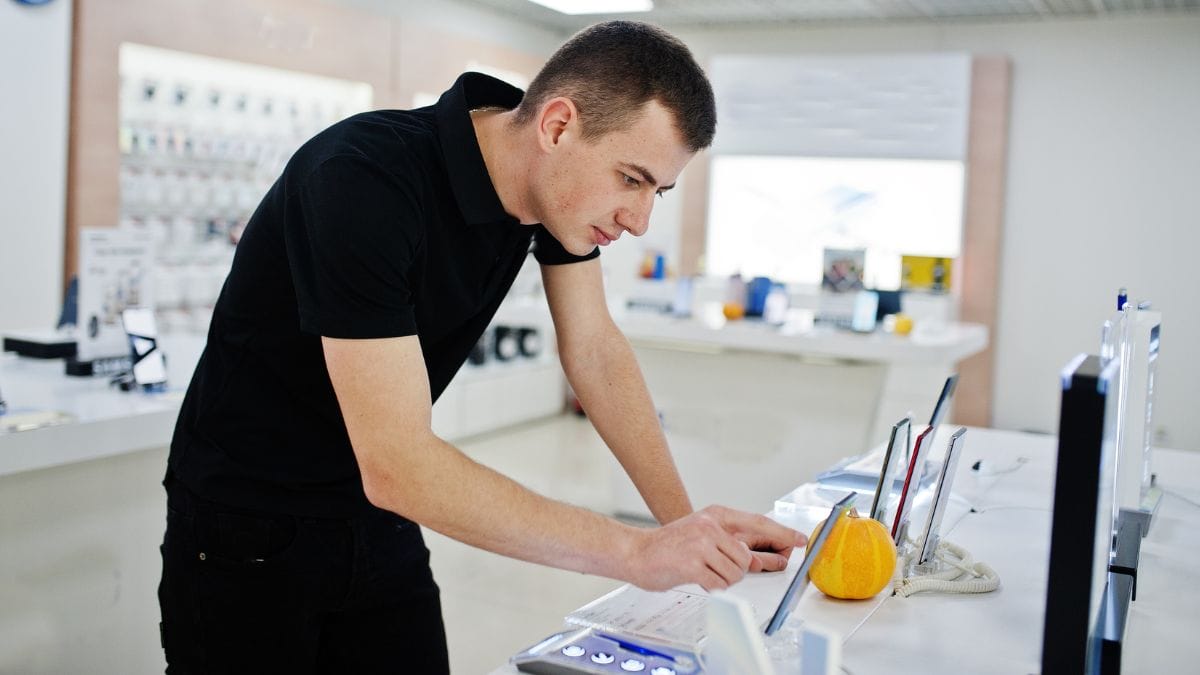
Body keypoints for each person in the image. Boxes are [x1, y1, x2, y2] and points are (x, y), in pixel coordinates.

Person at [158, 20, 806, 673]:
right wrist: (637, 553)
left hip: (374, 514)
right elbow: (399, 463)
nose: (639, 220)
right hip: (248, 522)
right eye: (632, 180)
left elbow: (595, 351)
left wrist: (684, 529)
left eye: (657, 192)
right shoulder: (363, 179)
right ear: (557, 127)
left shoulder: (552, 191)